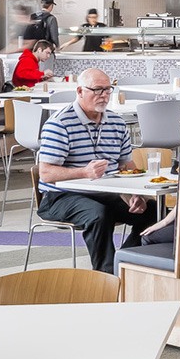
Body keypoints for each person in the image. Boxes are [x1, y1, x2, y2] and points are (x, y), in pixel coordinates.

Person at [36, 67, 150, 272]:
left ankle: (125, 262)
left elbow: (126, 165)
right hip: (61, 196)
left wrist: (135, 194)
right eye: (97, 90)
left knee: (155, 212)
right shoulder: (60, 123)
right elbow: (46, 173)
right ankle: (107, 274)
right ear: (80, 91)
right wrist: (83, 172)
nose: (104, 95)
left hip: (108, 192)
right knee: (98, 214)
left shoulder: (116, 123)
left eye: (108, 89)